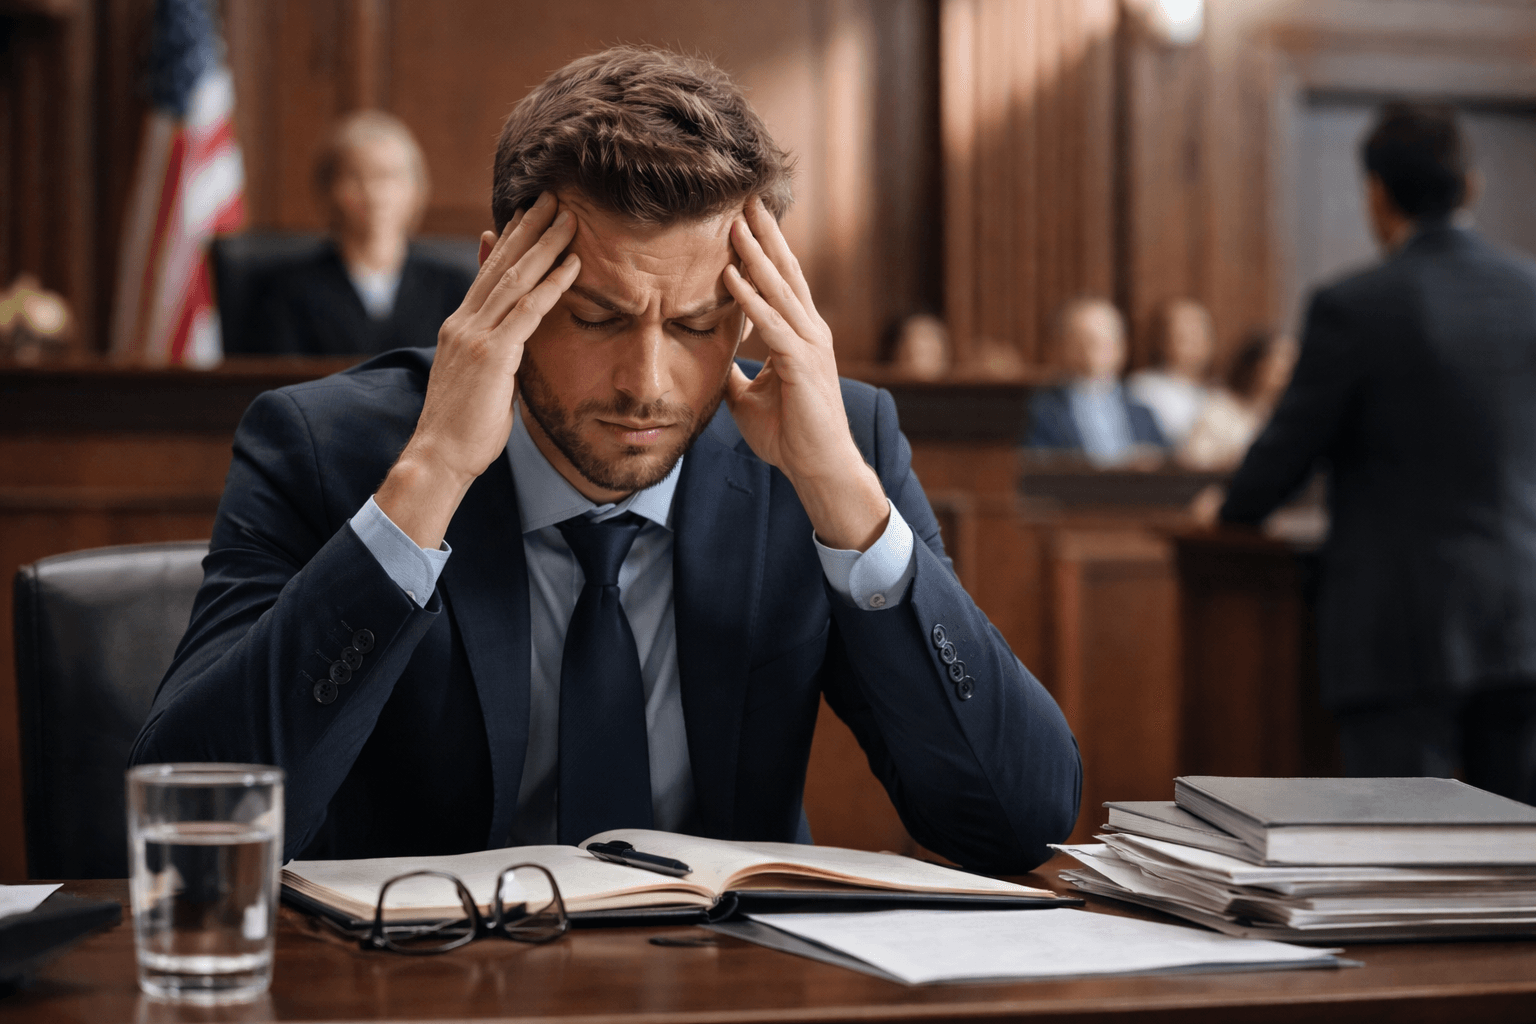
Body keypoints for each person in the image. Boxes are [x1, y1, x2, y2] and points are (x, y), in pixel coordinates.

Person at [130, 47, 1082, 871]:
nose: (648, 386)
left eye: (699, 325)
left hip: (731, 983)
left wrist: (845, 501)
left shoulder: (834, 447)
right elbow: (193, 822)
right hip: (426, 984)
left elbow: (1020, 821)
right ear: (502, 281)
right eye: (595, 318)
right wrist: (428, 483)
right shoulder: (323, 446)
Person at [1220, 102, 1536, 804]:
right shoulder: (1530, 293)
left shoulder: (1355, 305)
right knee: (1524, 850)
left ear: (1376, 195)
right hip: (1523, 618)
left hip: (1401, 630)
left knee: (1400, 846)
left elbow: (1286, 453)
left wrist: (1232, 510)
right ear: (1472, 185)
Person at [239, 111, 474, 356]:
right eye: (355, 176)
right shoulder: (285, 290)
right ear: (328, 189)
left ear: (418, 189)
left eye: (388, 176)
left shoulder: (454, 288)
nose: (373, 194)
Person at [1026, 297, 1165, 465]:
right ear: (1061, 346)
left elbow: (1167, 464)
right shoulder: (1041, 411)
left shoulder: (1143, 413)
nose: (1093, 349)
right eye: (1083, 339)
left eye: (1106, 339)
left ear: (1123, 346)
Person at [1177, 328, 1297, 471]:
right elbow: (1193, 460)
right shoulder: (1219, 407)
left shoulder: (1281, 415)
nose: (1289, 368)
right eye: (1282, 358)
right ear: (1257, 364)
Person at [1126, 299, 1216, 446]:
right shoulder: (1143, 388)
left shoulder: (1219, 390)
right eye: (1184, 336)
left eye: (1200, 333)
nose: (1195, 342)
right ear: (1162, 339)